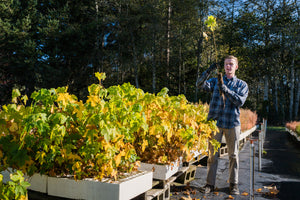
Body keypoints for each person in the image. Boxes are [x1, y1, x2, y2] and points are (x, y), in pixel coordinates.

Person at [196, 55, 248, 195]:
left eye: (231, 64)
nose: (228, 66)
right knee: (213, 155)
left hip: (232, 124)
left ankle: (233, 184)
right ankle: (209, 184)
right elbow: (199, 84)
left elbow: (239, 101)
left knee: (233, 155)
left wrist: (226, 90)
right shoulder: (215, 81)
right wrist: (208, 70)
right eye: (226, 64)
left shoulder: (242, 85)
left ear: (236, 66)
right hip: (215, 124)